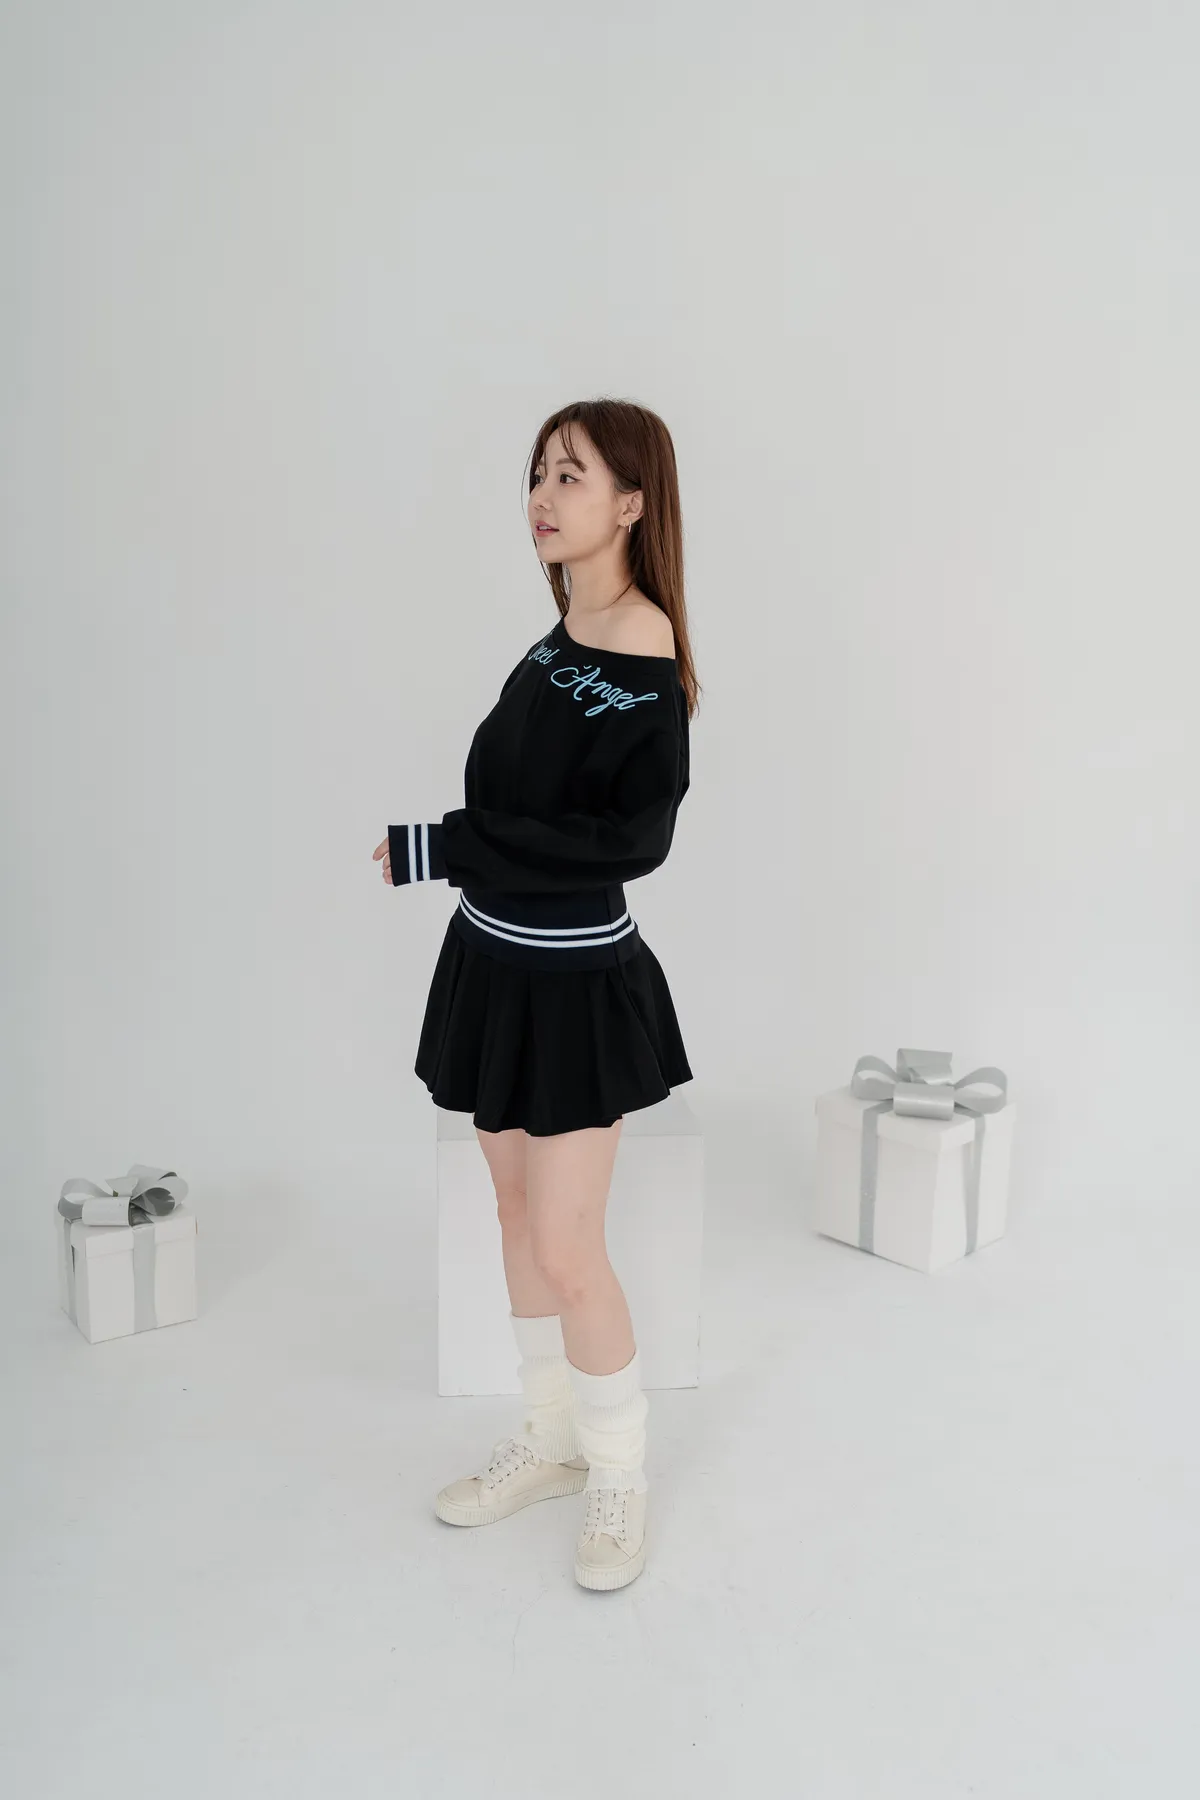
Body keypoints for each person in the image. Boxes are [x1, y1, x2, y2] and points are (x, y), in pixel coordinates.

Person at [372, 397, 700, 1591]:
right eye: (538, 474)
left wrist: (445, 846)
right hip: (493, 962)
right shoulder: (564, 631)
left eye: (572, 476)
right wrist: (466, 856)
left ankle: (619, 1476)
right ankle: (552, 1440)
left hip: (569, 988)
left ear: (632, 503)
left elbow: (626, 842)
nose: (543, 498)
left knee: (567, 1246)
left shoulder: (642, 652)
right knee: (514, 1219)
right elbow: (524, 795)